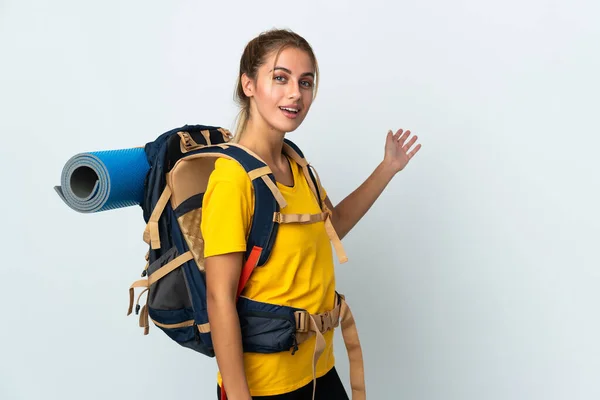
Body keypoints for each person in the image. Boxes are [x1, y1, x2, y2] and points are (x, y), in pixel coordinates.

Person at [200, 28, 421, 400]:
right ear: (248, 84)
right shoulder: (232, 180)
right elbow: (218, 298)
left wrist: (387, 168)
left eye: (305, 82)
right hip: (266, 385)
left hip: (318, 369)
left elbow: (331, 228)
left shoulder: (295, 163)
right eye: (280, 78)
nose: (295, 94)